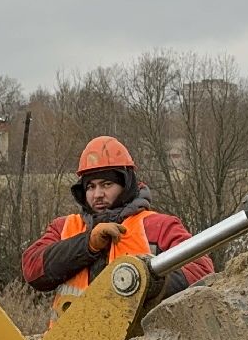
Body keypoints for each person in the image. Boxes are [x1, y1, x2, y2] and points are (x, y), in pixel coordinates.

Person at [21, 135, 214, 319]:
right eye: (90, 186)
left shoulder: (158, 226)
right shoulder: (64, 227)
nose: (97, 194)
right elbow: (32, 268)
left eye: (106, 184)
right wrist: (88, 245)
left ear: (126, 185)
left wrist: (140, 283)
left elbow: (201, 270)